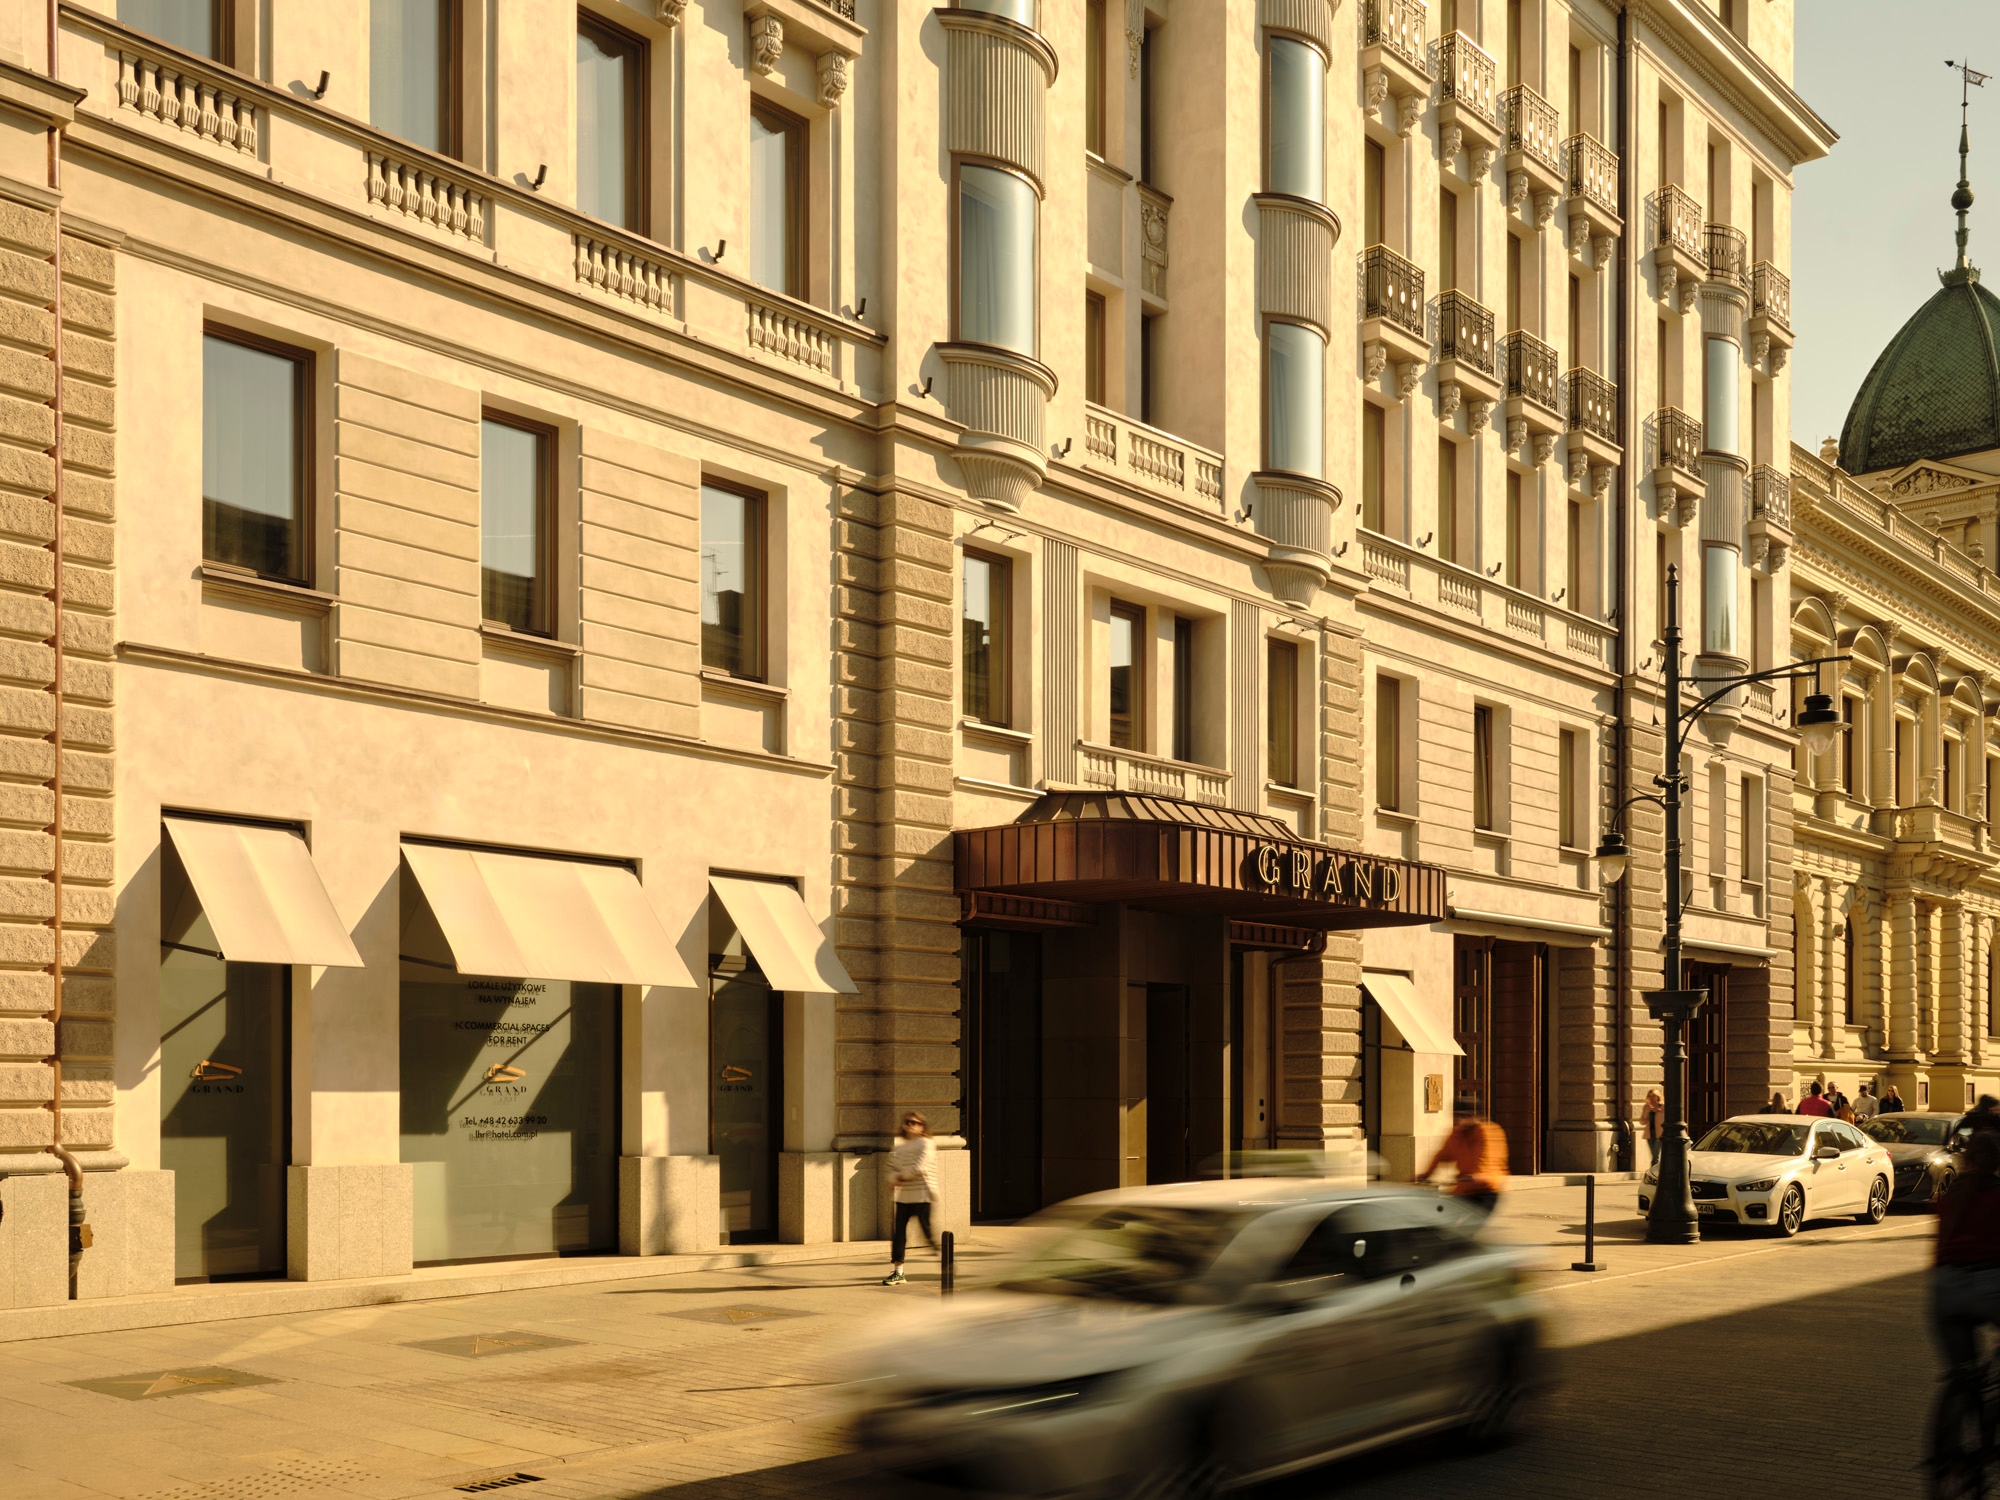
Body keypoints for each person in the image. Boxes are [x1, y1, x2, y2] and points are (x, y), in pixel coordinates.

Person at [1932, 1128, 2000, 1370]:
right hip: (1991, 1286)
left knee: (1963, 1373)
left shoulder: (1951, 1197)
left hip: (1946, 1288)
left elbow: (1938, 1251)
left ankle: (1960, 1396)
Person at [1419, 1096, 1510, 1216]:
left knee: (1469, 1227)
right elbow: (1442, 1156)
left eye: (1464, 1115)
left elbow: (1486, 1159)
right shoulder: (1457, 1134)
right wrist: (1426, 1174)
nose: (1460, 1119)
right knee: (1442, 1219)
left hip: (1486, 1191)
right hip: (1464, 1190)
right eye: (1457, 1116)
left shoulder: (1487, 1132)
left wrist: (1477, 1176)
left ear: (1476, 1116)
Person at [881, 1110, 940, 1286]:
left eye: (914, 1122)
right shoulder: (899, 1147)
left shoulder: (926, 1143)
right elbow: (890, 1167)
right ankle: (898, 1272)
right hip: (904, 1196)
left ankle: (946, 1261)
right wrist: (893, 1178)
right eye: (907, 1122)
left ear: (922, 1126)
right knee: (898, 1234)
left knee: (927, 1234)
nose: (910, 1125)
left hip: (922, 1195)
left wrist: (899, 1177)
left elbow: (920, 1167)